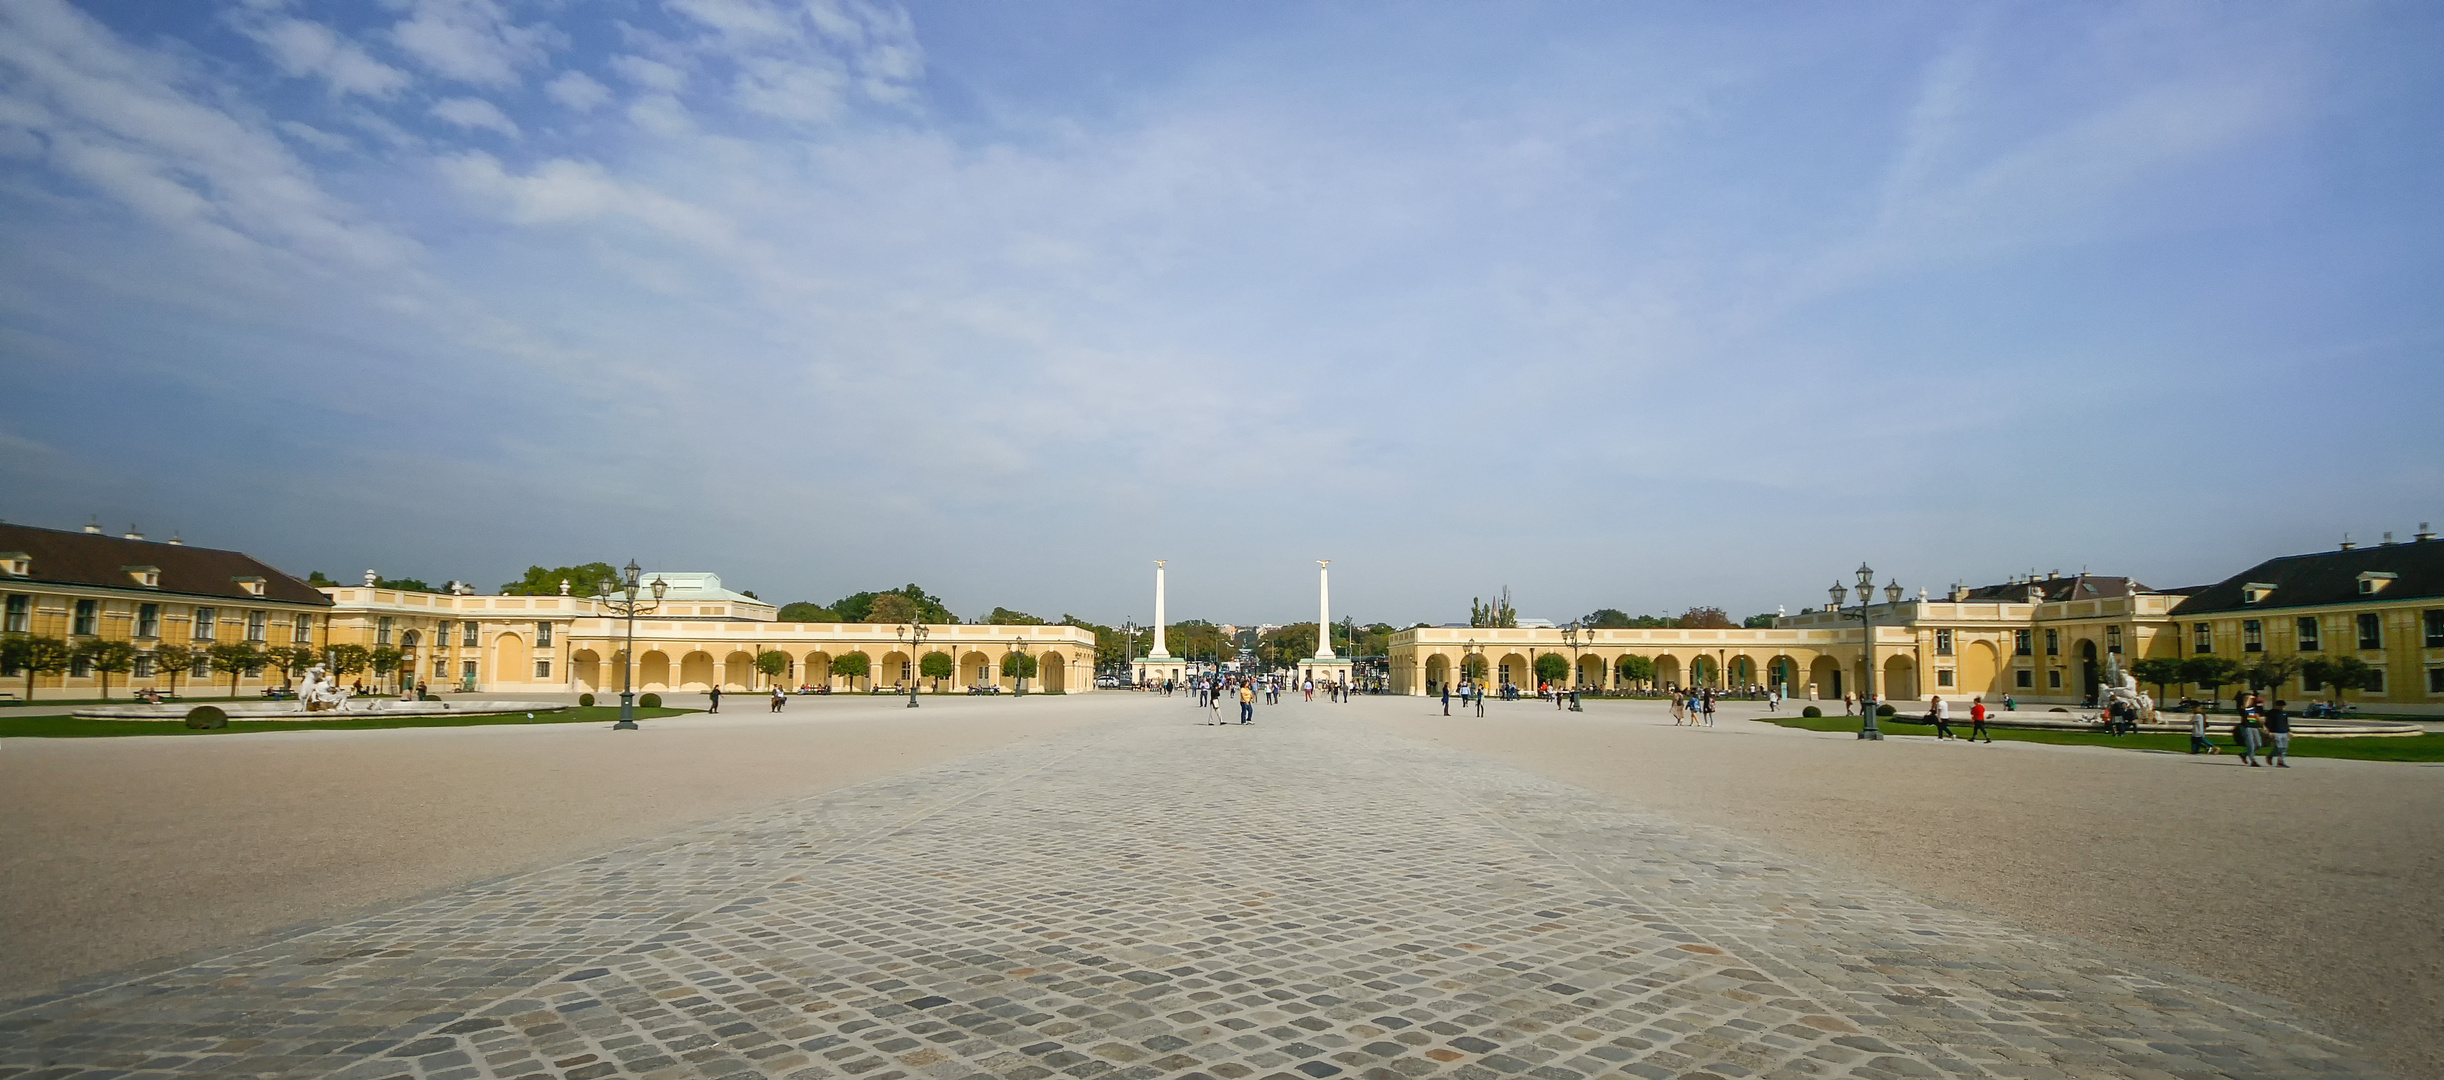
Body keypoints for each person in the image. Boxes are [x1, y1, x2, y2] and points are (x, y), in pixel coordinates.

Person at [2264, 698, 2292, 767]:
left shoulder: (2285, 713)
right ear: (2277, 706)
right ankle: (2277, 760)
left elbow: (2286, 723)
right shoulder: (2271, 713)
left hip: (2284, 732)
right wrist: (2270, 732)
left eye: (2284, 706)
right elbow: (2267, 723)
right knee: (2279, 747)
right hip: (2275, 732)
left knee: (2284, 748)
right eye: (2282, 706)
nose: (2283, 708)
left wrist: (2289, 731)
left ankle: (2279, 760)